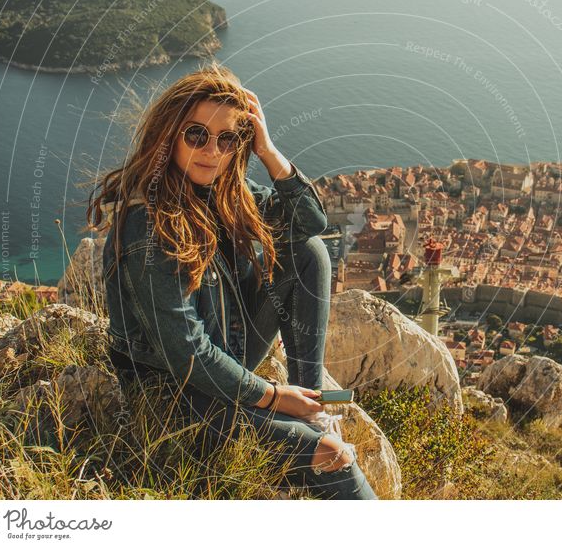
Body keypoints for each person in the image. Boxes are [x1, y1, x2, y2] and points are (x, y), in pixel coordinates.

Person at [86, 62, 377, 500]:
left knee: (307, 253)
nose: (211, 150)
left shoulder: (227, 194)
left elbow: (310, 223)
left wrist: (268, 150)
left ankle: (312, 408)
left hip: (227, 355)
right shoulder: (149, 223)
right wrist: (275, 396)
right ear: (170, 135)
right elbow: (187, 353)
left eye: (228, 138)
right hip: (175, 397)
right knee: (332, 456)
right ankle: (305, 420)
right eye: (196, 134)